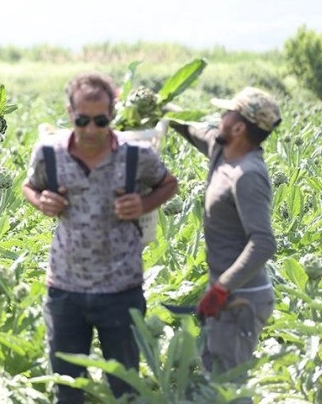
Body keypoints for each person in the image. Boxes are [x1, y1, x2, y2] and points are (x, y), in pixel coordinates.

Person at [21, 72, 178, 402]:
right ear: (69, 113)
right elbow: (29, 187)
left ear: (113, 114)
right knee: (67, 385)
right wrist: (42, 201)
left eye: (100, 120)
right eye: (82, 120)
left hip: (120, 287)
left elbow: (168, 184)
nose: (91, 129)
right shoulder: (49, 154)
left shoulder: (136, 156)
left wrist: (143, 203)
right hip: (65, 288)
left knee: (125, 384)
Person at [168, 87, 281, 382]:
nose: (220, 117)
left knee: (228, 386)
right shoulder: (222, 150)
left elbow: (264, 242)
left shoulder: (248, 174)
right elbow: (187, 124)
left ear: (239, 127)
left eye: (226, 113)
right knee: (213, 375)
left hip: (241, 298)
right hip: (224, 292)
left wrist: (222, 288)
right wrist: (158, 106)